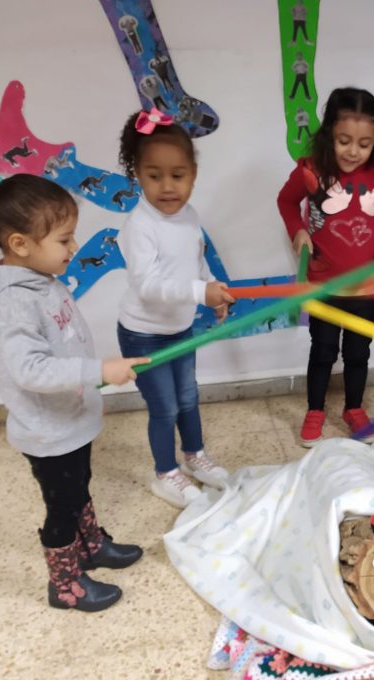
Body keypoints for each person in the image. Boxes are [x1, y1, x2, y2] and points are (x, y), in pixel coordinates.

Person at [0, 172, 148, 613]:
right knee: (62, 507)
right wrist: (100, 371)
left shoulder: (39, 279)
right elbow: (30, 369)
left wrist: (93, 383)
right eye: (64, 239)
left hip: (68, 420)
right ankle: (65, 583)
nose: (74, 248)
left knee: (80, 487)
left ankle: (91, 545)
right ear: (20, 244)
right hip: (48, 432)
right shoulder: (13, 301)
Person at [115, 108, 235, 508]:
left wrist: (213, 290)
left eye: (178, 176)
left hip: (179, 328)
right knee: (164, 407)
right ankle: (165, 474)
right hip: (142, 333)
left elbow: (194, 262)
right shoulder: (140, 225)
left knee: (187, 397)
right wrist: (201, 293)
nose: (167, 187)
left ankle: (194, 455)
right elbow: (148, 286)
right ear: (138, 175)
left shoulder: (188, 216)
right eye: (154, 176)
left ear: (193, 175)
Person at [277, 87, 374, 446]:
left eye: (364, 144)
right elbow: (286, 202)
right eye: (344, 141)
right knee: (323, 350)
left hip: (365, 289)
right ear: (329, 132)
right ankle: (315, 410)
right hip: (323, 284)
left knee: (358, 353)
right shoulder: (311, 170)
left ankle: (354, 408)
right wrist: (298, 231)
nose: (353, 151)